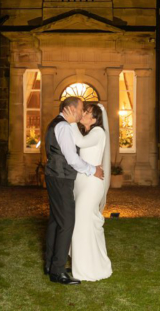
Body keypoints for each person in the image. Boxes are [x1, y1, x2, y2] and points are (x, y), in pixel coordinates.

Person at [43, 95, 104, 285]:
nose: (81, 113)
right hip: (61, 178)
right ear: (72, 109)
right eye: (81, 109)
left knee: (55, 220)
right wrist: (93, 170)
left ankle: (51, 264)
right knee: (67, 223)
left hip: (56, 176)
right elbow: (72, 159)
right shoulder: (63, 127)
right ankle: (58, 270)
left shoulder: (59, 124)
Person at [69, 102, 113, 281]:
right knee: (82, 224)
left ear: (94, 119)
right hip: (81, 182)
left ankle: (88, 268)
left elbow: (79, 141)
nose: (82, 114)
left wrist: (71, 121)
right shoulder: (89, 132)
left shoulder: (98, 132)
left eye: (86, 112)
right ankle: (89, 262)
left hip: (91, 185)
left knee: (81, 223)